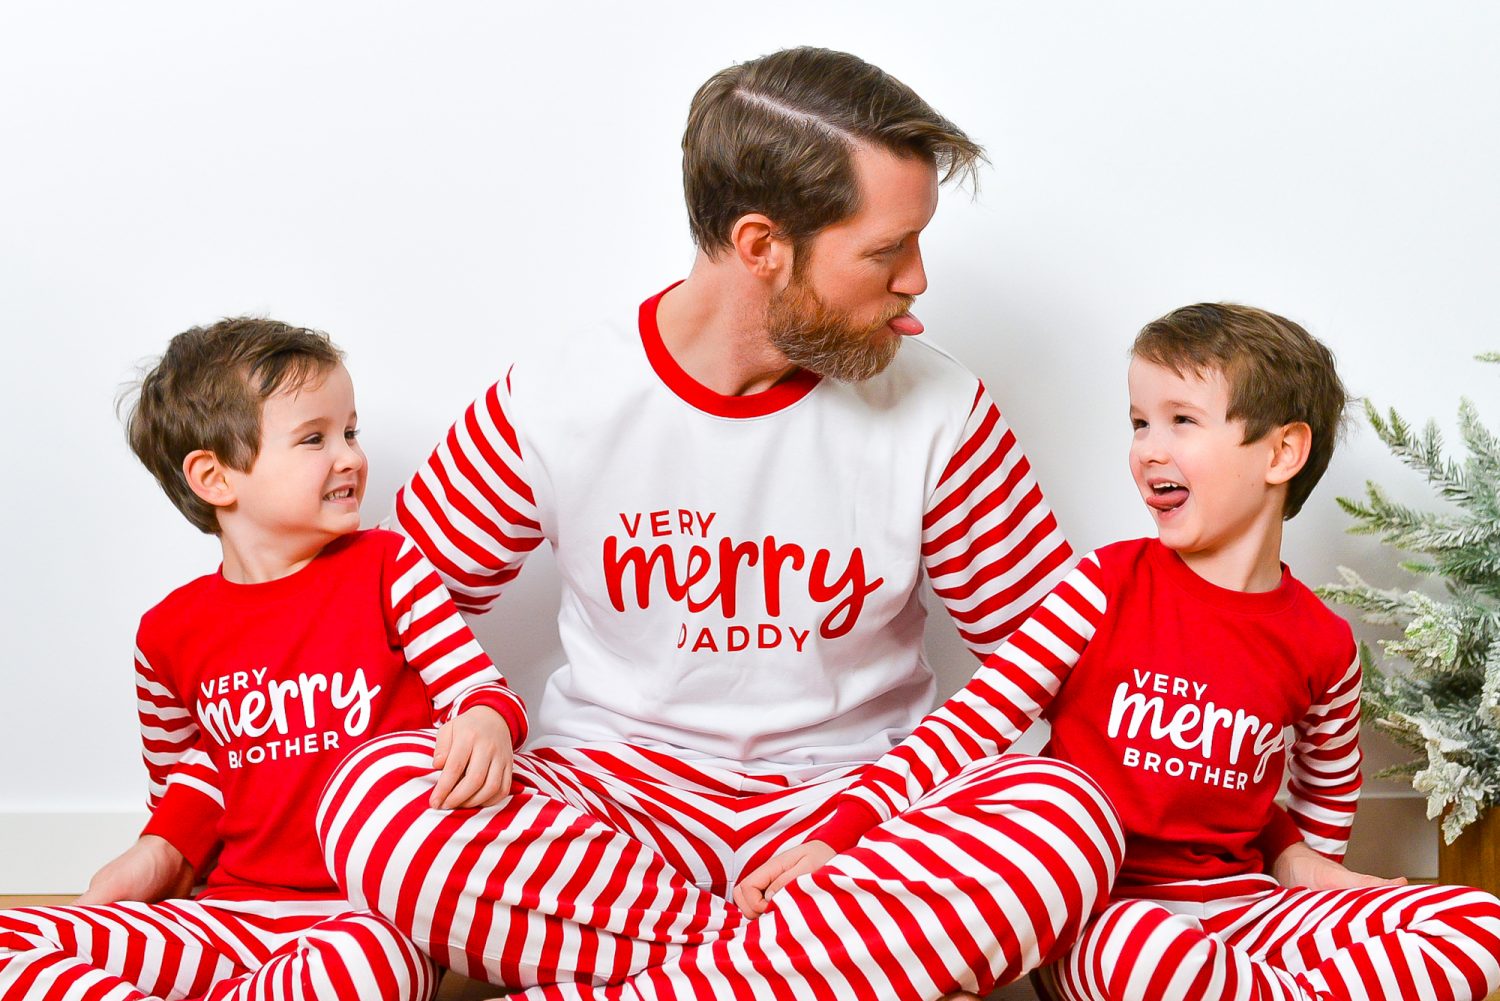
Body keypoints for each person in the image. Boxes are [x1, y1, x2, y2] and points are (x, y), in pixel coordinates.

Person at [316, 46, 1124, 998]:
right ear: (760, 246)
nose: (917, 280)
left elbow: (1055, 656)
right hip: (605, 811)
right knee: (376, 803)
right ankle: (787, 972)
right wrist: (479, 708)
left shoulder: (939, 406)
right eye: (884, 250)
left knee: (1068, 814)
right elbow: (385, 598)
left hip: (862, 813)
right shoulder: (558, 395)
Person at [728, 303, 1500, 1001]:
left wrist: (1299, 864)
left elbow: (1326, 783)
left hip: (1244, 912)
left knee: (1480, 923)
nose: (1148, 450)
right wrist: (838, 828)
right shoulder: (1100, 585)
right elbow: (970, 726)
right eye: (1138, 423)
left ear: (1281, 452)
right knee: (1149, 952)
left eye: (1181, 421)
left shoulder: (1323, 642)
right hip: (1105, 918)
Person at [0, 318, 528, 1001]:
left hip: (363, 917)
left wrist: (486, 722)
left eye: (351, 431)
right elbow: (194, 778)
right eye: (315, 438)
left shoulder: (388, 566)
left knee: (369, 972)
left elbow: (479, 690)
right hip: (228, 914)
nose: (349, 457)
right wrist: (157, 851)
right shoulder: (169, 633)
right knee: (14, 941)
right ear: (214, 476)